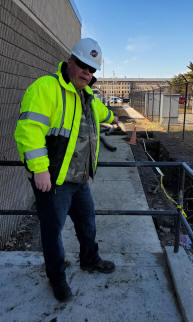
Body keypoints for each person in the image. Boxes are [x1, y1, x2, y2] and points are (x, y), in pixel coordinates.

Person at [14, 38, 118, 301]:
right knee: (53, 232)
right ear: (70, 60)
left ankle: (89, 259)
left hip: (80, 178)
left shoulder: (88, 97)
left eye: (92, 69)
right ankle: (57, 279)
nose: (87, 72)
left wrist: (113, 118)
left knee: (87, 224)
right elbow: (28, 130)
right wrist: (39, 169)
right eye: (83, 65)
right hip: (54, 181)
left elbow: (102, 113)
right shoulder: (46, 88)